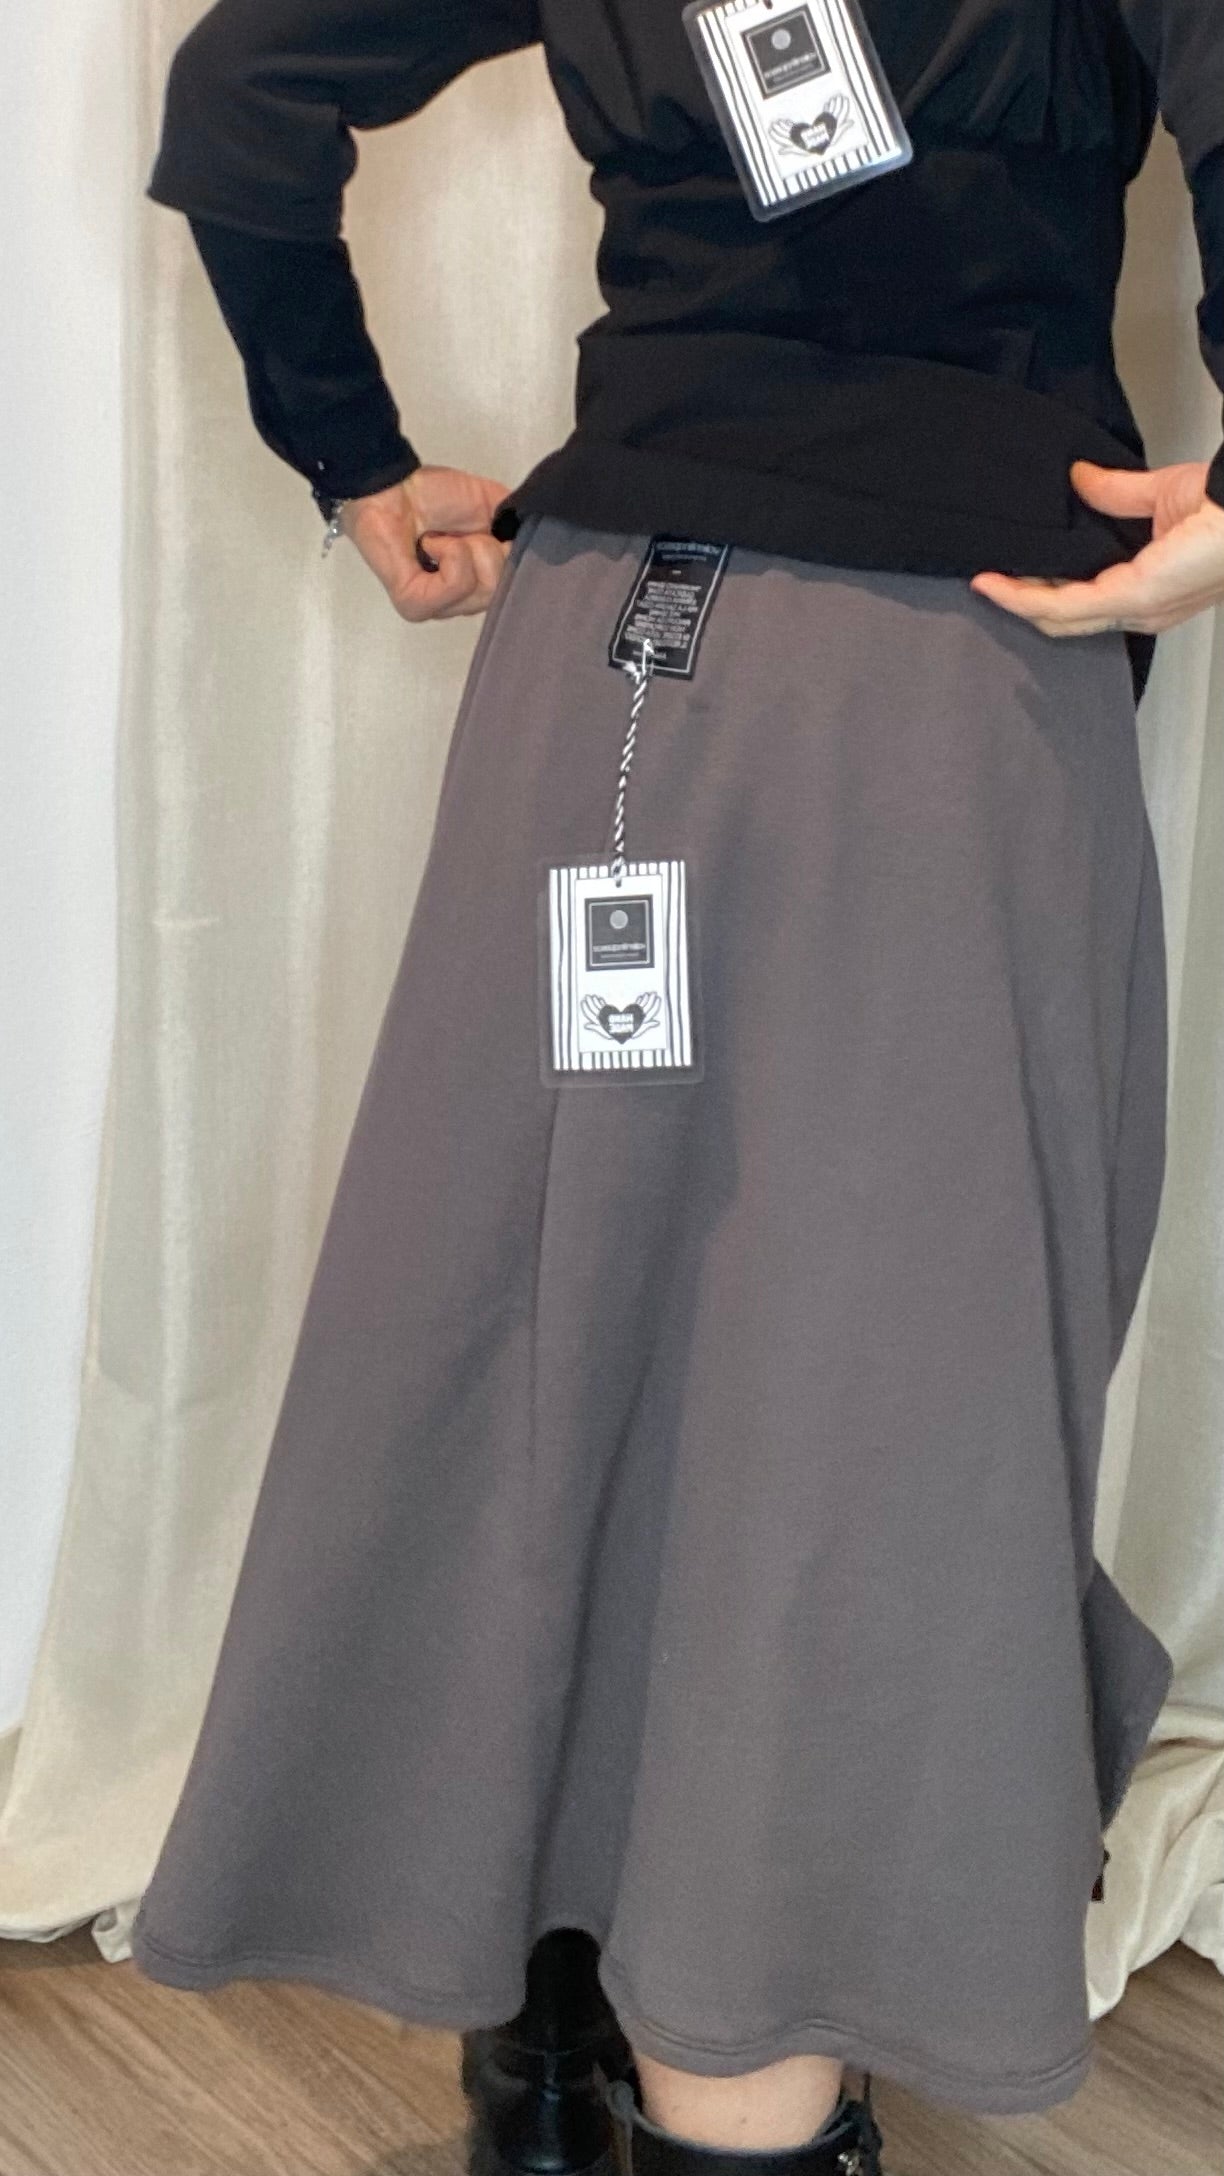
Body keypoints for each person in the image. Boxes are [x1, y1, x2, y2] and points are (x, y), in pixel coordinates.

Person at [127, 6, 1224, 2173]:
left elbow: (246, 92)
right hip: (942, 691)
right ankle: (743, 2085)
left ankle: (545, 2020)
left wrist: (355, 460)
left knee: (550, 1335)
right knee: (864, 1427)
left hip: (600, 661)